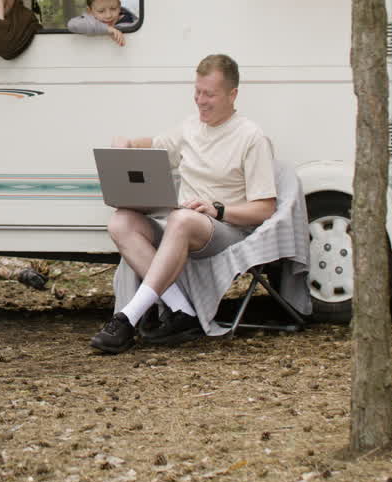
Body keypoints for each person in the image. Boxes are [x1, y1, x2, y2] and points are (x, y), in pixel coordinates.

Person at [90, 54, 277, 354]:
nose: (200, 101)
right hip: (184, 224)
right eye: (197, 92)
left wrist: (219, 210)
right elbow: (154, 145)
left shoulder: (251, 137)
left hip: (225, 229)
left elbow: (265, 208)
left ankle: (127, 318)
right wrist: (127, 144)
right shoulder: (190, 128)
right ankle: (182, 311)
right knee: (121, 221)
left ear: (232, 95)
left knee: (180, 218)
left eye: (209, 94)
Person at [66, 0, 132, 46]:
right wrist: (107, 29)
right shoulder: (89, 21)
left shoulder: (129, 23)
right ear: (90, 11)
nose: (108, 15)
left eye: (113, 8)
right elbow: (72, 25)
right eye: (101, 11)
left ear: (119, 6)